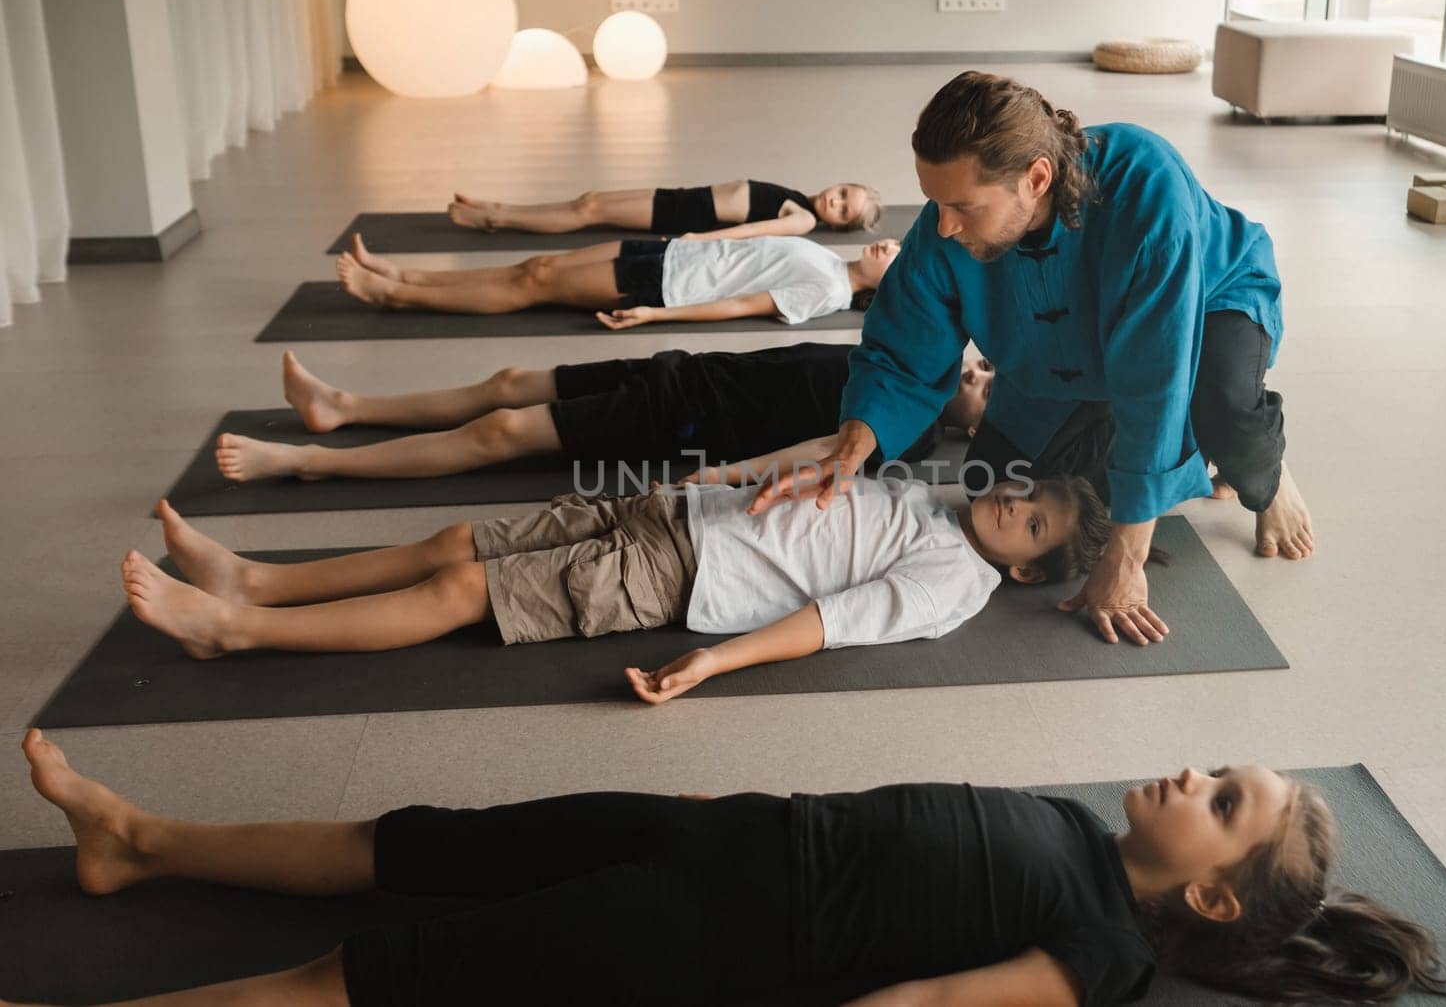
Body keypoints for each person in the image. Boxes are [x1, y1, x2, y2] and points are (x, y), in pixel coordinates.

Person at [13, 729, 1446, 1006]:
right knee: (409, 842)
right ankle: (137, 841)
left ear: (1212, 889)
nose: (1193, 771)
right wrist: (705, 795)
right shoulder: (1079, 829)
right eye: (1219, 762)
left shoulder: (1102, 952)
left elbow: (935, 1003)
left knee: (369, 975)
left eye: (1224, 796)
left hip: (695, 924)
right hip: (712, 826)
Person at [745, 71, 1316, 648]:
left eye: (962, 207)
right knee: (988, 482)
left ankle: (1263, 468)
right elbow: (905, 336)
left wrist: (1127, 555)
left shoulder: (1146, 188)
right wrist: (852, 445)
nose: (943, 226)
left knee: (1218, 408)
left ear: (1036, 178)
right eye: (935, 203)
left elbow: (1156, 376)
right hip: (1063, 359)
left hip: (1210, 299)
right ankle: (1192, 446)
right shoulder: (949, 220)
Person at [124, 473, 1108, 703]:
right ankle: (258, 576)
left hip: (683, 571)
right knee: (458, 535)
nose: (1010, 501)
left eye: (1029, 521)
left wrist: (713, 659)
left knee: (464, 586)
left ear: (1023, 566)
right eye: (1023, 491)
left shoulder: (955, 583)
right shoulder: (945, 502)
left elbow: (834, 619)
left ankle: (239, 629)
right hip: (677, 510)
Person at [209, 346, 994, 485]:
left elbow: (824, 447)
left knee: (503, 434)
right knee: (510, 381)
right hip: (688, 372)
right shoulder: (917, 362)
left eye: (987, 384)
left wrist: (714, 477)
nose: (976, 371)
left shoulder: (916, 432)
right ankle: (343, 407)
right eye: (984, 364)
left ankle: (307, 461)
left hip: (687, 417)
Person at [334, 232, 896, 323]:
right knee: (534, 267)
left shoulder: (828, 290)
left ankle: (395, 296)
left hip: (668, 287)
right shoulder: (830, 262)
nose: (887, 246)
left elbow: (742, 304)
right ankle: (404, 274)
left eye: (894, 255)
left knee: (536, 286)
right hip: (672, 253)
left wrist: (656, 313)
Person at [446, 177, 882, 238]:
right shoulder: (801, 198)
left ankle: (496, 218)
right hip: (683, 196)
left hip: (686, 216)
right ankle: (499, 206)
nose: (836, 200)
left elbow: (748, 233)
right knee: (589, 201)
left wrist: (698, 239)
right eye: (844, 192)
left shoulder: (803, 219)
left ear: (839, 225)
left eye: (844, 210)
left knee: (589, 211)